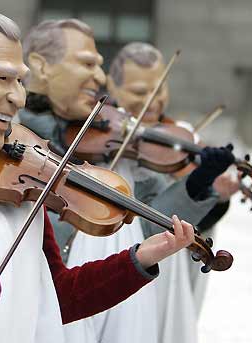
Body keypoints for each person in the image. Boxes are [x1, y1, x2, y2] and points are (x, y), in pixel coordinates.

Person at [0, 11, 196, 343]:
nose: (19, 97)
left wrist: (138, 259)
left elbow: (56, 297)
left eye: (20, 81)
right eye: (2, 78)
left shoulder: (18, 174)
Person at [20, 20, 236, 343]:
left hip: (104, 307)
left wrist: (197, 184)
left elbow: (146, 223)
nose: (100, 77)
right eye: (88, 63)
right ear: (39, 66)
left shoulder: (114, 145)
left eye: (100, 65)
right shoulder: (5, 137)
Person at [106, 42, 240, 343]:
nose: (153, 101)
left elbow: (194, 220)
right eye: (140, 92)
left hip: (170, 265)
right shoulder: (102, 140)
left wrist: (211, 191)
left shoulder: (175, 136)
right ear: (111, 86)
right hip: (121, 266)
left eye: (159, 89)